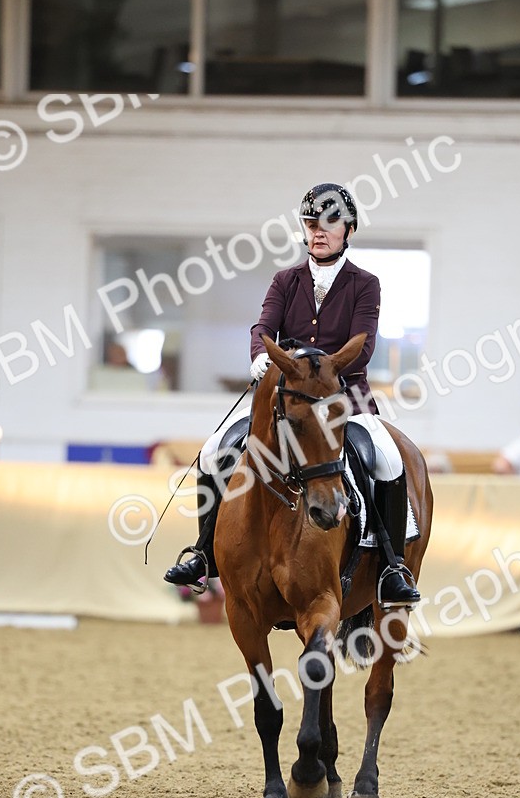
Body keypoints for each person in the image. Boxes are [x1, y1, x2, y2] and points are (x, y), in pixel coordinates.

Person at [163, 182, 421, 607]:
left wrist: (311, 364)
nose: (318, 231)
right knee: (213, 450)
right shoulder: (286, 280)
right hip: (286, 402)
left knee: (389, 458)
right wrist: (259, 357)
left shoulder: (365, 284)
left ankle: (392, 566)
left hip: (344, 398)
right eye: (310, 223)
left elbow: (364, 343)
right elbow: (263, 328)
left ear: (348, 230)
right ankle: (205, 551)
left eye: (328, 223)